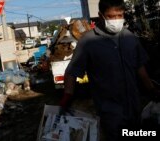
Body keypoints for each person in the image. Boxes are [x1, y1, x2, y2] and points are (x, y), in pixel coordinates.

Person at [60, 0, 159, 140]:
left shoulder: (129, 37)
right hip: (109, 111)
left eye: (120, 15)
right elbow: (72, 71)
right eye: (111, 16)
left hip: (134, 106)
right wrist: (67, 95)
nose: (117, 20)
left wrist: (151, 88)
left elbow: (139, 66)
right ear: (101, 15)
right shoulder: (88, 41)